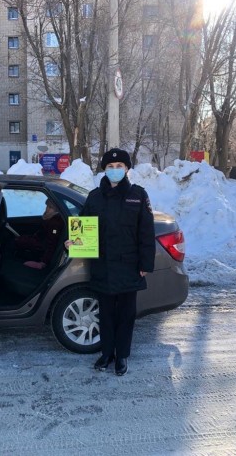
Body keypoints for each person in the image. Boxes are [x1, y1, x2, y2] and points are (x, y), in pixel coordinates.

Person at [65, 148, 155, 376]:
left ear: (127, 169)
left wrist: (146, 265)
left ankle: (122, 355)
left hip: (129, 266)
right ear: (104, 170)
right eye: (110, 167)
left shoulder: (138, 195)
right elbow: (84, 227)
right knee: (105, 313)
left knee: (126, 314)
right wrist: (74, 242)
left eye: (119, 167)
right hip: (103, 266)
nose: (115, 170)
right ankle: (107, 353)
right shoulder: (95, 197)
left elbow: (146, 233)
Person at [14, 199, 65, 270]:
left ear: (57, 210)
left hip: (41, 248)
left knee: (16, 242)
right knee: (18, 240)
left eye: (50, 207)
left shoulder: (55, 223)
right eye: (47, 206)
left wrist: (43, 262)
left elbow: (52, 244)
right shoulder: (49, 218)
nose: (47, 209)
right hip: (39, 241)